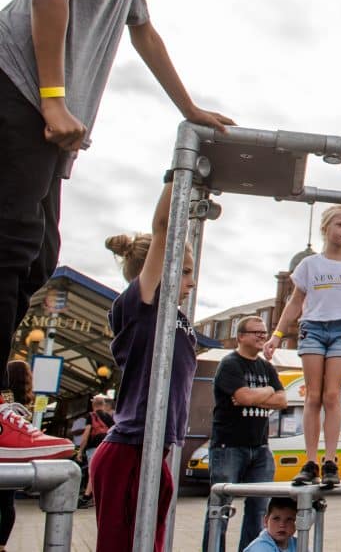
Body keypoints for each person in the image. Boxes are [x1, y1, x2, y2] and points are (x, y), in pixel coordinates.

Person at [0, 0, 233, 461]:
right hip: (21, 89)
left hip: (45, 120)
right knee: (11, 243)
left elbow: (146, 36)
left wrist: (191, 109)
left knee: (37, 259)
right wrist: (55, 101)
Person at [91, 181, 198, 552]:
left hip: (159, 445)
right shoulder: (141, 305)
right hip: (130, 446)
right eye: (183, 271)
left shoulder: (178, 317)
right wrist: (177, 173)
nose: (191, 281)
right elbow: (165, 228)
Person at [265, 205, 341, 488]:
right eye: (340, 225)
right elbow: (295, 303)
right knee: (312, 396)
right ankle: (311, 461)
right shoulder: (310, 265)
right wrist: (277, 334)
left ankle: (330, 460)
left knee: (332, 396)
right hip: (312, 329)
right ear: (325, 228)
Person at [205, 316, 287, 551]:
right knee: (219, 509)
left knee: (259, 509)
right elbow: (243, 397)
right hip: (228, 446)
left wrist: (262, 392)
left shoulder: (266, 367)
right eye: (256, 332)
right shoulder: (230, 364)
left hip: (260, 448)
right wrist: (266, 392)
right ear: (241, 337)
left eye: (264, 332)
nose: (263, 336)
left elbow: (281, 400)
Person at [0, 361, 38, 551]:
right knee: (7, 502)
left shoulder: (4, 396)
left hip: (2, 450)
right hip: (15, 455)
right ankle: (2, 544)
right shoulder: (24, 401)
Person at [75, 393, 114, 507]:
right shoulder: (109, 417)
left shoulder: (91, 416)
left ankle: (87, 497)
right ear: (103, 405)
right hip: (106, 446)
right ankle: (100, 497)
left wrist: (80, 451)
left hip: (94, 447)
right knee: (104, 472)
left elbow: (86, 435)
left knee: (92, 471)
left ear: (93, 405)